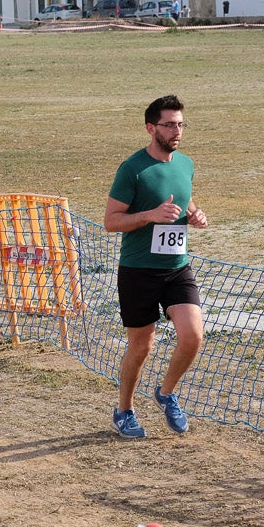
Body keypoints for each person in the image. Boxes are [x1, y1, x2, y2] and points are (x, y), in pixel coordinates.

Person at [103, 94, 209, 438]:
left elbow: (183, 199)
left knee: (193, 337)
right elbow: (111, 221)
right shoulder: (132, 169)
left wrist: (194, 214)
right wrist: (149, 215)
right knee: (142, 345)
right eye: (169, 124)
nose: (176, 130)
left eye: (180, 124)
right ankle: (124, 410)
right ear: (151, 128)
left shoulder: (186, 164)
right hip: (138, 270)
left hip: (177, 266)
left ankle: (166, 393)